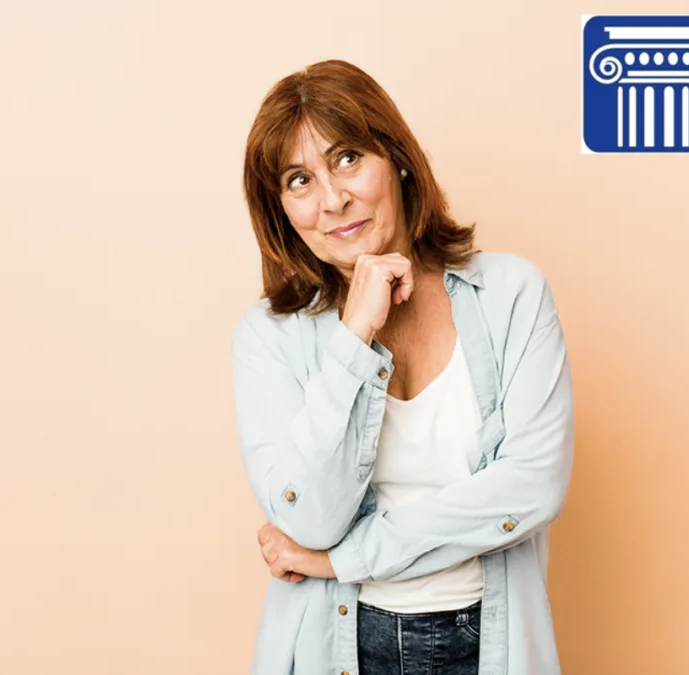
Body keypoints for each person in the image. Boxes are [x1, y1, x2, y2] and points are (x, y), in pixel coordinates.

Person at [232, 59, 575, 675]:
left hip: (491, 645)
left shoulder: (513, 294)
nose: (334, 200)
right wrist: (355, 334)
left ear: (398, 158)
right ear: (281, 208)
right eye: (299, 180)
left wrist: (346, 557)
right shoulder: (268, 338)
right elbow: (307, 518)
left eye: (347, 159)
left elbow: (532, 486)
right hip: (335, 648)